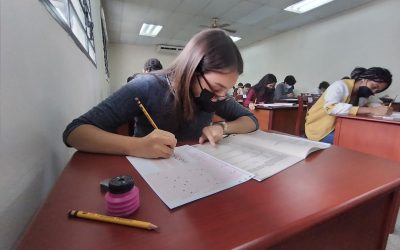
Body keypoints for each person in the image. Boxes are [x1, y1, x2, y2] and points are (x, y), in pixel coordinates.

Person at [63, 29, 258, 159]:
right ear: (193, 70)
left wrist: (223, 127)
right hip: (148, 178)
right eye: (216, 88)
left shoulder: (213, 97)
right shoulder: (147, 86)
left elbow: (250, 120)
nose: (221, 96)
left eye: (227, 89)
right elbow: (75, 132)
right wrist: (135, 145)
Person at [305, 67, 393, 144]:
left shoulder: (364, 94)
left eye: (378, 91)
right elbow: (331, 108)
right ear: (364, 79)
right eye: (374, 86)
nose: (373, 92)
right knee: (358, 142)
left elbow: (376, 104)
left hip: (339, 128)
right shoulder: (340, 85)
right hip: (320, 130)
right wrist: (371, 110)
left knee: (371, 137)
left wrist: (384, 109)